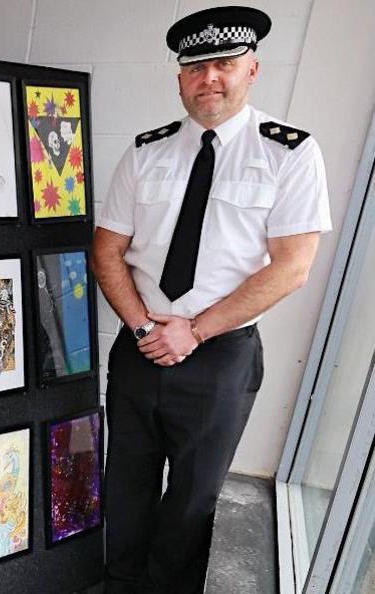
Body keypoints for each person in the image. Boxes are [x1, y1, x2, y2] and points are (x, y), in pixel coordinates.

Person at [93, 6, 332, 592]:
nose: (210, 79)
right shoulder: (146, 151)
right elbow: (106, 251)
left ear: (252, 70)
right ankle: (120, 584)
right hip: (139, 345)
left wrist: (193, 331)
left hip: (219, 355)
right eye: (196, 68)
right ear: (180, 79)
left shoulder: (290, 153)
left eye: (224, 64)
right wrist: (143, 327)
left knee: (194, 497)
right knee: (125, 482)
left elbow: (292, 268)